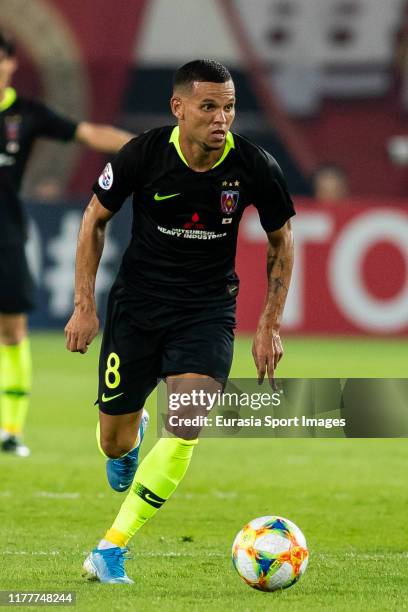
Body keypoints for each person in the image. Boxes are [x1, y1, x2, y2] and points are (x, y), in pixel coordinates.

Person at [65, 59, 295, 584]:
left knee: (187, 423)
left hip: (207, 312)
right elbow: (94, 219)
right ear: (179, 108)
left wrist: (269, 324)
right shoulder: (143, 154)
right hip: (138, 311)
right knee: (115, 443)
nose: (221, 119)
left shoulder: (255, 165)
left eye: (230, 107)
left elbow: (282, 241)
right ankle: (131, 431)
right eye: (209, 106)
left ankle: (110, 549)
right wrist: (84, 304)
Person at [0, 29, 134, 457]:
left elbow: (89, 133)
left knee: (13, 330)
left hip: (5, 234)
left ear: (11, 64)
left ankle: (10, 431)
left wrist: (149, 149)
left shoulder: (26, 113)